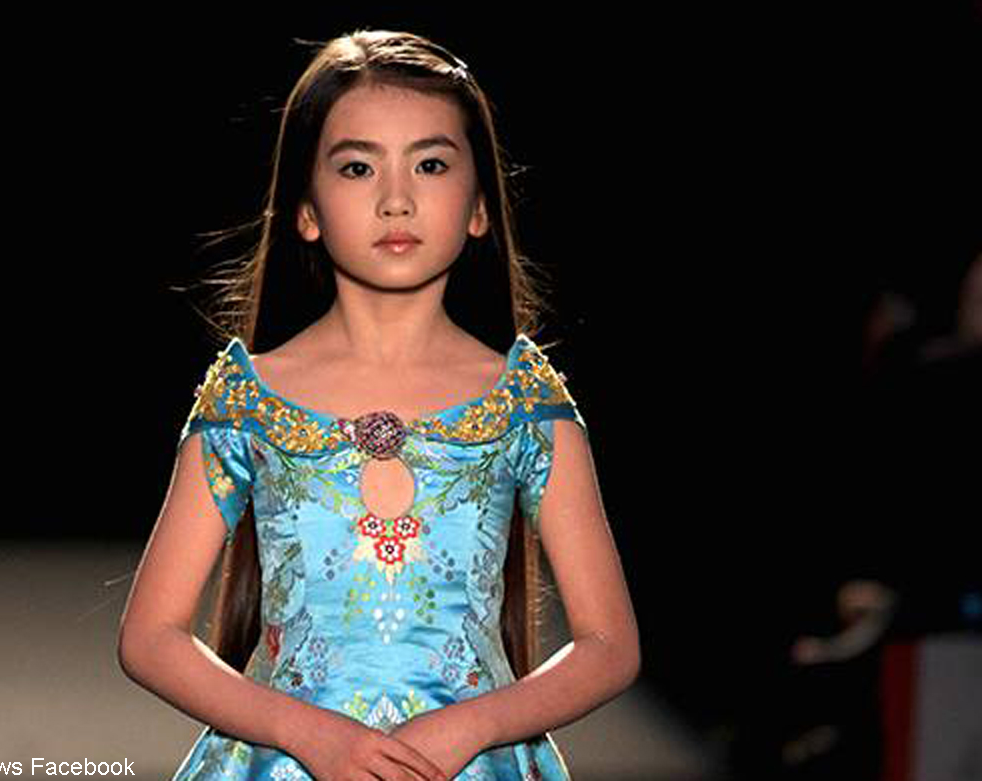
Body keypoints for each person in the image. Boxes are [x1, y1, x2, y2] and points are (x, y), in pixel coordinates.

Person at [117, 29, 641, 781]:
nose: (397, 199)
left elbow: (609, 645)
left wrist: (472, 725)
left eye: (431, 164)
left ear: (480, 207)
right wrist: (311, 735)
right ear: (306, 210)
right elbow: (150, 636)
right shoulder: (247, 398)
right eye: (358, 167)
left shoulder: (524, 402)